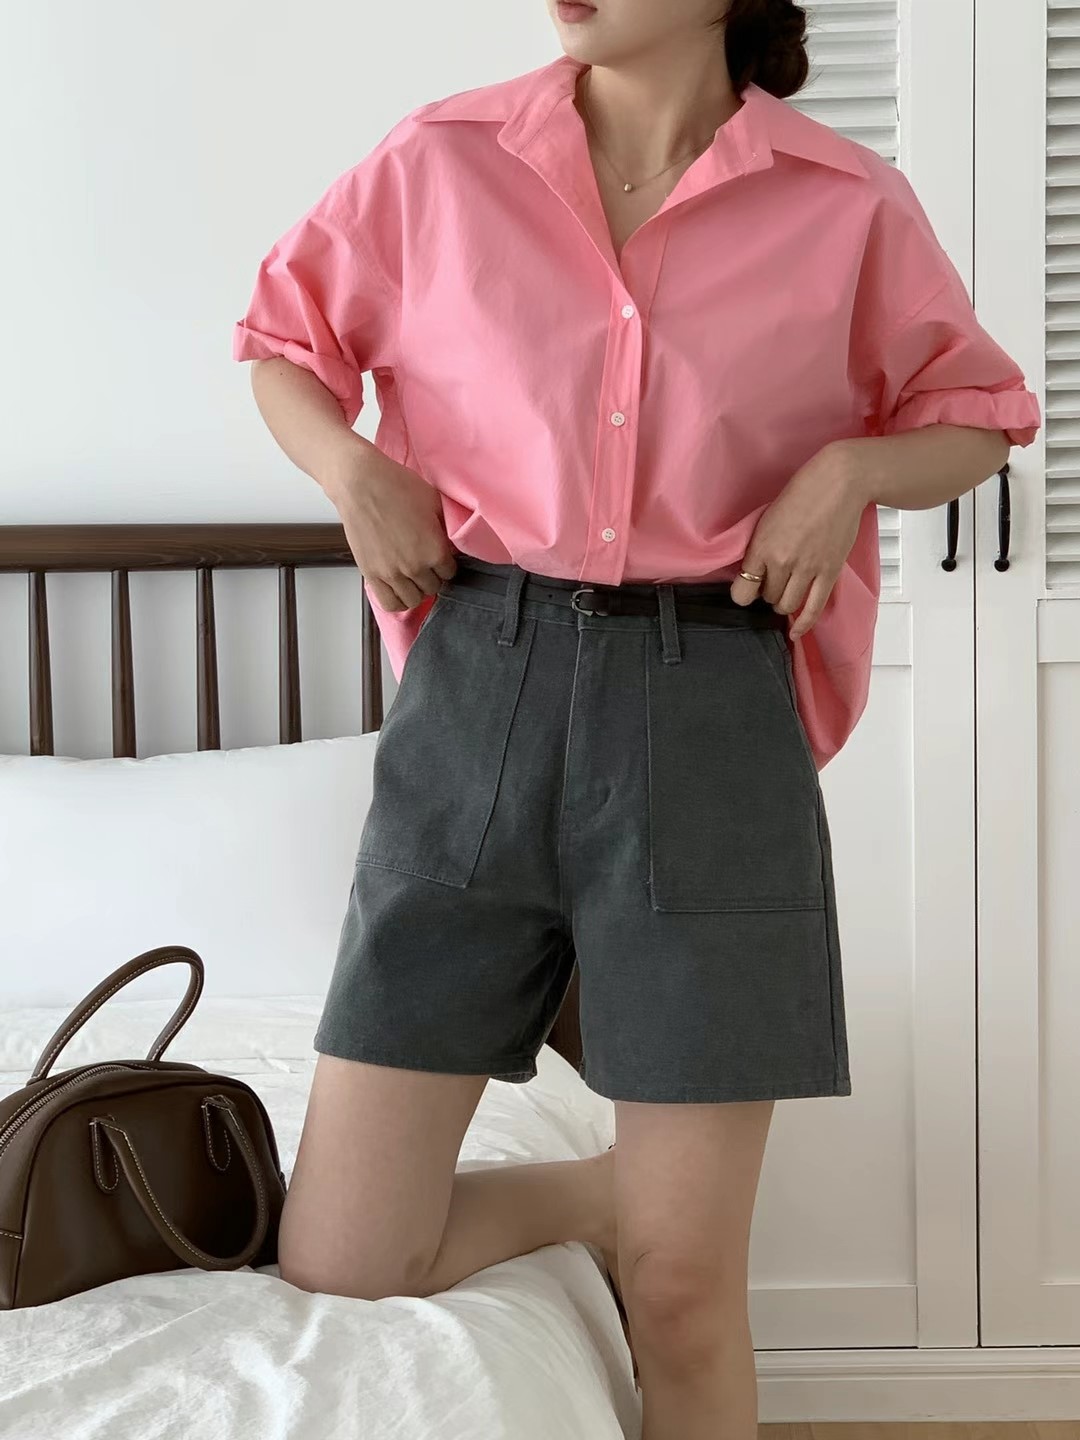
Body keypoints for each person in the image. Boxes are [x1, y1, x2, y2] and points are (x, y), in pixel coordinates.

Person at [232, 2, 1041, 1435]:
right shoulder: (442, 161)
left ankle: (650, 1219)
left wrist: (850, 471)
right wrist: (355, 476)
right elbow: (281, 342)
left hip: (709, 712)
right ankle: (605, 1194)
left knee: (684, 1291)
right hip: (477, 690)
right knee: (345, 1257)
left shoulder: (846, 203)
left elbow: (979, 413)